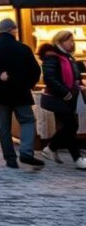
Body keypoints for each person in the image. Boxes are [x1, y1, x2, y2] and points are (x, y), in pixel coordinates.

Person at [0, 18, 43, 169]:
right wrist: (28, 85)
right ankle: (26, 152)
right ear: (13, 30)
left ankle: (10, 158)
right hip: (21, 93)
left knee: (4, 126)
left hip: (0, 94)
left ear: (0, 30)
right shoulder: (23, 48)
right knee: (27, 121)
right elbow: (35, 71)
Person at [38, 30, 85, 169]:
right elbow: (49, 78)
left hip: (68, 97)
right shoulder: (52, 56)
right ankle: (77, 158)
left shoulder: (68, 56)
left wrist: (78, 84)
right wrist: (65, 92)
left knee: (70, 126)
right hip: (58, 98)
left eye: (72, 40)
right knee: (71, 126)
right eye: (69, 40)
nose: (72, 43)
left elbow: (74, 75)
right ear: (60, 41)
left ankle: (51, 148)